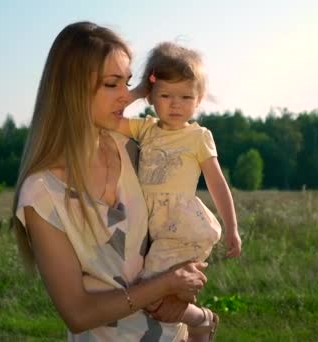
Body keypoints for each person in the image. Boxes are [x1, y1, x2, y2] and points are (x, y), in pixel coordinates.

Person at [12, 22, 208, 341]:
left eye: (128, 84)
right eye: (112, 84)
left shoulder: (132, 149)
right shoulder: (42, 194)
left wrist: (190, 293)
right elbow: (78, 314)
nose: (126, 97)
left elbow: (175, 225)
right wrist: (165, 285)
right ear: (72, 90)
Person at [116, 42, 242, 342]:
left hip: (181, 227)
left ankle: (202, 321)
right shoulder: (145, 129)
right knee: (167, 297)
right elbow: (104, 116)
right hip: (150, 227)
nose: (176, 104)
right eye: (166, 95)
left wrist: (232, 228)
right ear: (152, 96)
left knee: (149, 293)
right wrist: (137, 92)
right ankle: (189, 329)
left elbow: (217, 183)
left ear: (198, 100)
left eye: (186, 96)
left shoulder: (198, 137)